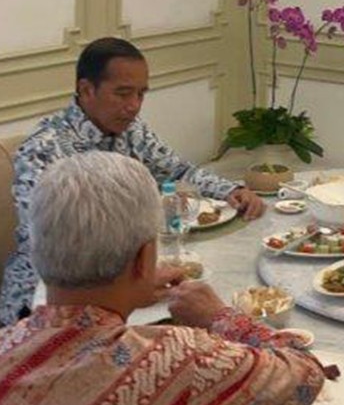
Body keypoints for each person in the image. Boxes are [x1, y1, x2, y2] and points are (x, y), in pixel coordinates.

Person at [0, 152, 323, 405]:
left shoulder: (7, 345)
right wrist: (221, 317)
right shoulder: (179, 361)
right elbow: (305, 374)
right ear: (144, 258)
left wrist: (132, 287)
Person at [1, 37, 265, 326]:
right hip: (44, 298)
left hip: (119, 281)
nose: (134, 106)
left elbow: (178, 170)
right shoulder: (42, 150)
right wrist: (135, 283)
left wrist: (231, 189)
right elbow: (54, 246)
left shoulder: (132, 130)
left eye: (141, 94)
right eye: (123, 93)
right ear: (86, 90)